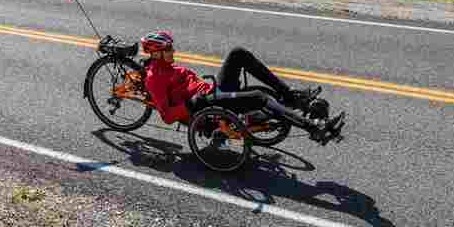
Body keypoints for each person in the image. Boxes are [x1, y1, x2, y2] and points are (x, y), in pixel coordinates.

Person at [139, 31, 345, 144]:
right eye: (168, 49)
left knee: (238, 53)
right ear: (156, 53)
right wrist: (192, 103)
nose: (173, 50)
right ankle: (314, 128)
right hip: (205, 108)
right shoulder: (154, 78)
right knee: (257, 97)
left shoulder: (167, 66)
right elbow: (166, 115)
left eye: (171, 47)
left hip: (213, 92)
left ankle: (290, 97)